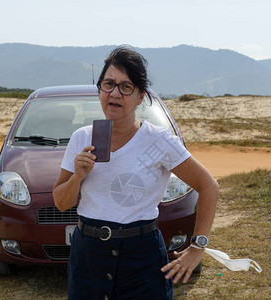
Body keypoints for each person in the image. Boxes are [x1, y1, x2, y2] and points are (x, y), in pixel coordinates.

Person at [53, 46, 219, 300]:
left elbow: (208, 186)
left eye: (126, 87)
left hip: (142, 257)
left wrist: (198, 247)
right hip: (88, 255)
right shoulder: (81, 138)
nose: (115, 93)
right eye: (108, 84)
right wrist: (78, 176)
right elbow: (61, 202)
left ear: (141, 96)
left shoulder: (159, 141)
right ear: (99, 90)